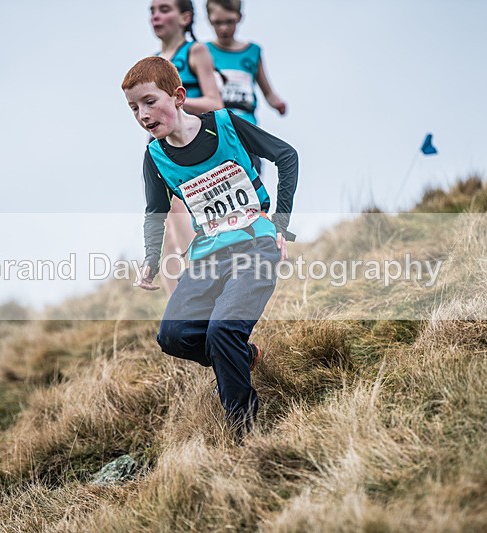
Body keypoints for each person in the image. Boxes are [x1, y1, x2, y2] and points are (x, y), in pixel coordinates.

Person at [122, 56, 298, 441]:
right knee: (173, 335)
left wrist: (281, 224)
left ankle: (243, 433)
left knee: (221, 331)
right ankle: (242, 355)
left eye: (150, 101)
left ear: (179, 96)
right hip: (208, 257)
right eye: (134, 108)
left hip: (256, 246)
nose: (142, 114)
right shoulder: (155, 158)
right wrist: (151, 259)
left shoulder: (225, 125)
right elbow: (155, 211)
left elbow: (287, 156)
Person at [150, 0, 224, 295]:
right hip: (159, 153)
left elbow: (215, 102)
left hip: (190, 150)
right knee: (166, 234)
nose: (156, 15)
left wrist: (172, 101)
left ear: (185, 17)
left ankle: (206, 300)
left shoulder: (195, 51)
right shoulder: (153, 61)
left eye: (164, 9)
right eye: (152, 10)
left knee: (186, 224)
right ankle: (177, 323)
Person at [205, 0, 287, 173]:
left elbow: (268, 92)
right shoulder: (203, 52)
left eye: (229, 21)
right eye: (218, 23)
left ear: (240, 18)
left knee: (250, 175)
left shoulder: (252, 52)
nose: (224, 28)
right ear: (209, 20)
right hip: (215, 128)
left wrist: (278, 103)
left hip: (245, 129)